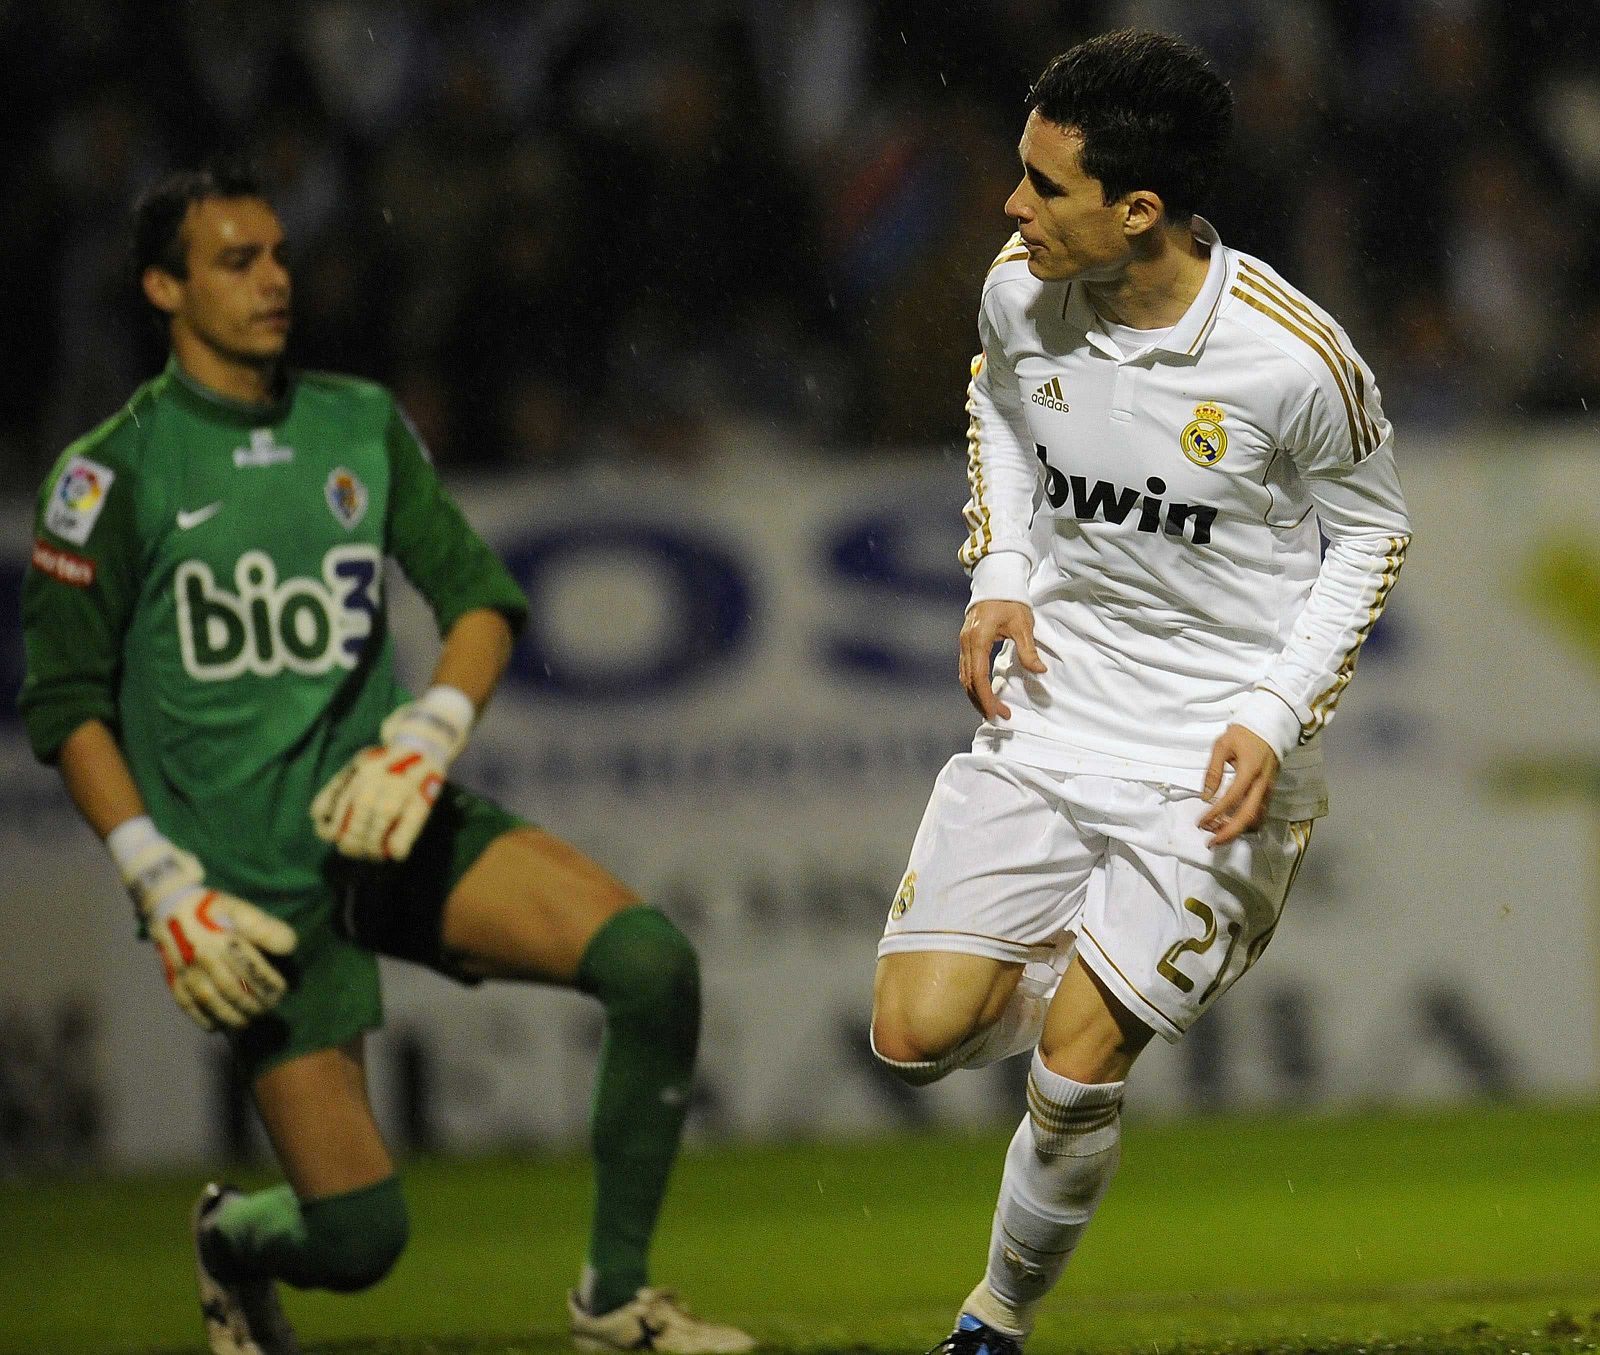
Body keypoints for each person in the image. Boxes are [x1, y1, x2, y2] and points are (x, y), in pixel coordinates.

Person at [18, 167, 754, 1355]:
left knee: (651, 964)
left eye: (277, 255)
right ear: (162, 286)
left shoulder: (356, 420)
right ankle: (232, 1240)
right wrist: (156, 875)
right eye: (233, 261)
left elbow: (478, 600)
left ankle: (614, 1301)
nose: (271, 281)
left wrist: (425, 735)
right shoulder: (108, 472)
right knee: (359, 1241)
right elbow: (63, 706)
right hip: (249, 884)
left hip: (386, 820)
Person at [869, 30, 1410, 1355]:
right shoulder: (1019, 286)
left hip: (1207, 763)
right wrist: (999, 569)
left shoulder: (1294, 358)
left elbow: (1373, 534)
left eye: (1045, 186)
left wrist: (1273, 717)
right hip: (1053, 716)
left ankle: (993, 1318)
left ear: (1139, 209)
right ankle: (1092, 968)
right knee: (910, 1032)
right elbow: (996, 400)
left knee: (1071, 1067)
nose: (1012, 209)